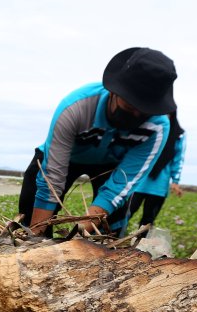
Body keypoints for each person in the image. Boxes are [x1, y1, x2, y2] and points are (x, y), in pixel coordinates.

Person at [18, 47, 177, 237]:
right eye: (129, 106)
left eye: (144, 111)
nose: (136, 115)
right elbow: (53, 177)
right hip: (65, 158)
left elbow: (121, 184)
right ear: (113, 92)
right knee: (32, 208)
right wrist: (36, 237)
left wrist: (77, 235)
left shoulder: (158, 127)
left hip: (112, 165)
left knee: (111, 225)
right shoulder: (76, 107)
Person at [127, 112, 186, 227]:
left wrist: (175, 181)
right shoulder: (148, 127)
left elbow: (178, 159)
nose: (164, 117)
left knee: (148, 219)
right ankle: (114, 239)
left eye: (168, 114)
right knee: (125, 213)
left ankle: (140, 244)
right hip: (139, 181)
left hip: (159, 185)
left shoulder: (179, 135)